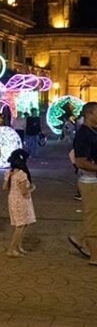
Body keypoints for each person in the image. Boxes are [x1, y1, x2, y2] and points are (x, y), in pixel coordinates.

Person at [68, 102, 97, 265]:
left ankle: (79, 238)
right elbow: (80, 161)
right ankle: (94, 256)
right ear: (89, 114)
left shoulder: (94, 131)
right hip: (90, 181)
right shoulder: (83, 134)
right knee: (93, 217)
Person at [4, 149, 36, 257]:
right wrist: (32, 188)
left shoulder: (9, 172)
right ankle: (12, 249)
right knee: (21, 225)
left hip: (12, 199)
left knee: (23, 223)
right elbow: (24, 191)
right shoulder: (22, 174)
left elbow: (4, 187)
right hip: (21, 200)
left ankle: (18, 247)